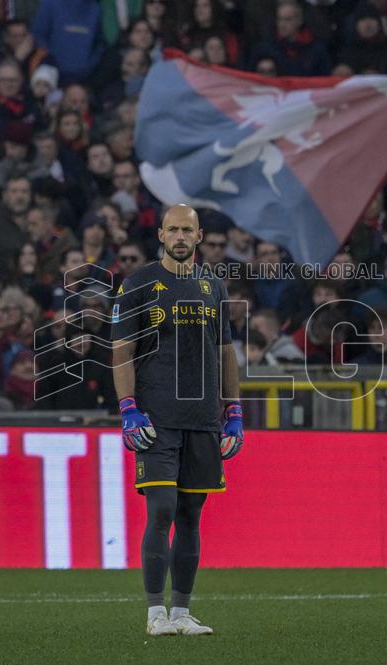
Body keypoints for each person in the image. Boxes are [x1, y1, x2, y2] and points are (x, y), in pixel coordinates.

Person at [110, 204, 242, 636]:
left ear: (199, 235)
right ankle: (154, 614)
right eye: (173, 230)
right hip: (156, 416)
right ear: (162, 236)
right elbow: (122, 351)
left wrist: (234, 410)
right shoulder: (139, 284)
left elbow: (225, 353)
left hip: (203, 418)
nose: (181, 236)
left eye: (188, 230)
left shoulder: (214, 286)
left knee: (190, 513)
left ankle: (182, 612)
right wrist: (128, 408)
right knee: (162, 508)